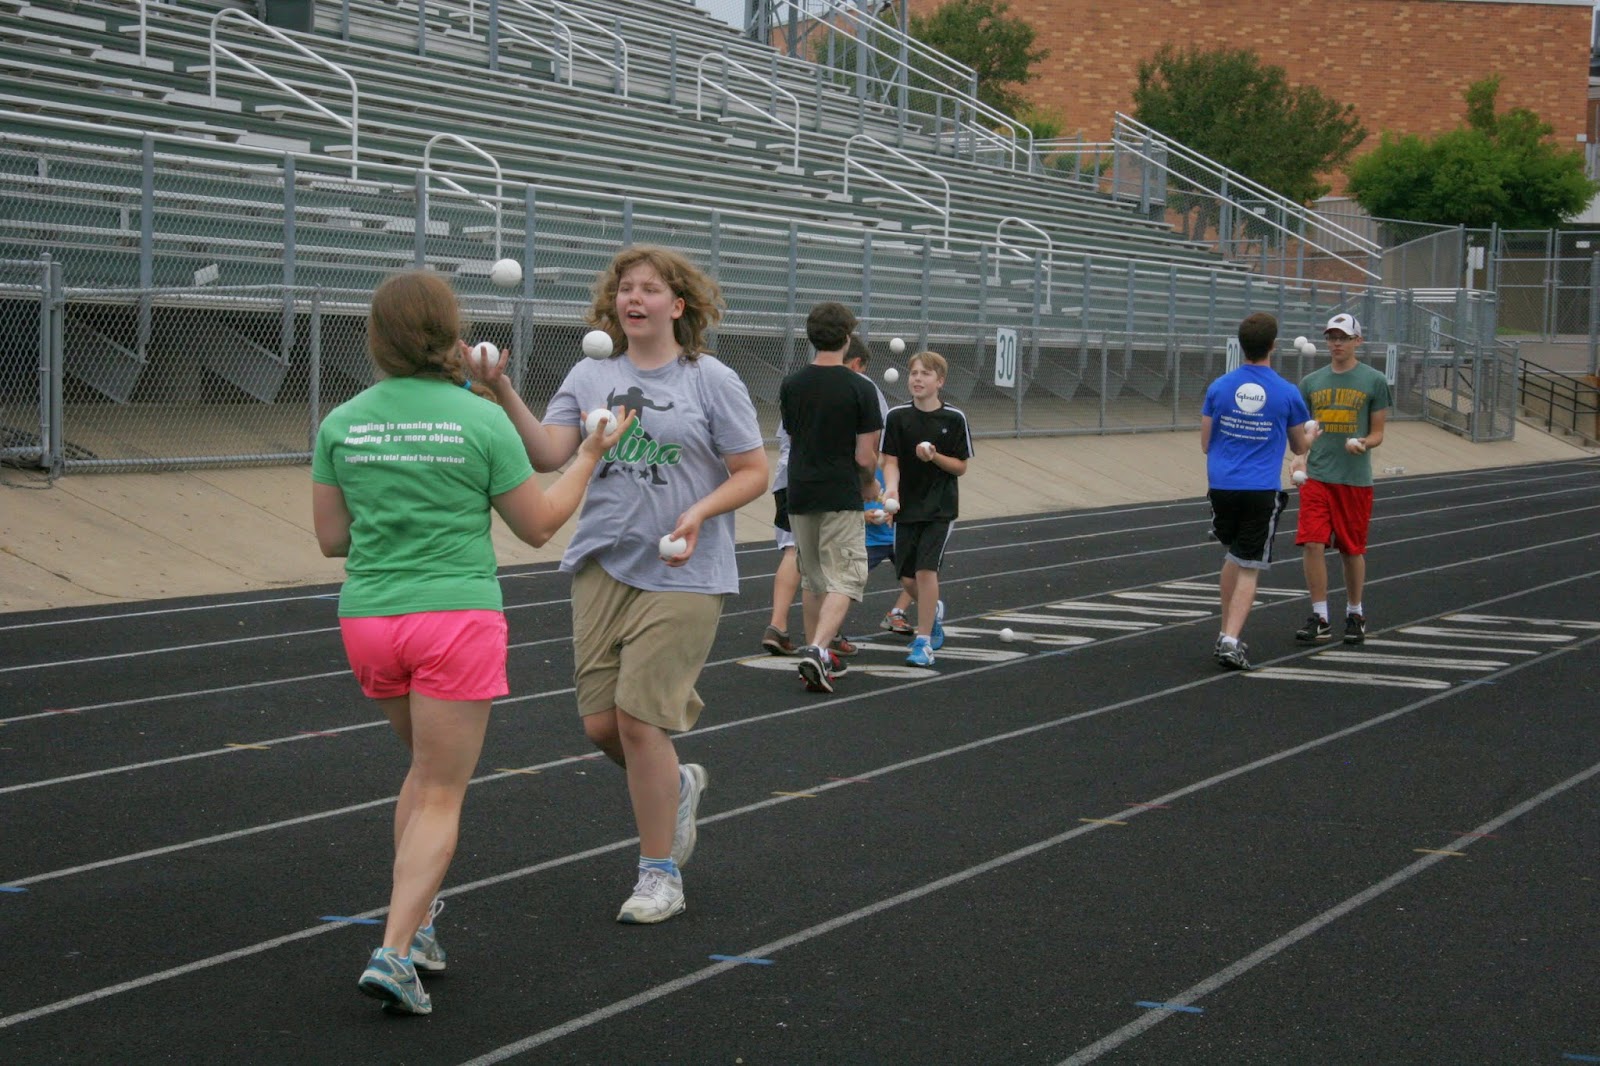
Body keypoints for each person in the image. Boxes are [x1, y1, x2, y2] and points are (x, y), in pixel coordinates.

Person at [312, 271, 630, 1015]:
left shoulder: (341, 422)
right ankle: (393, 951)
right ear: (449, 332)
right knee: (442, 791)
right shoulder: (478, 419)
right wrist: (589, 454)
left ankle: (416, 929)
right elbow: (539, 523)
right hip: (454, 615)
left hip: (369, 617)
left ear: (377, 337)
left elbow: (332, 539)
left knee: (422, 779)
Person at [502, 245, 768, 924]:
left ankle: (659, 874)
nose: (634, 298)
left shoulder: (710, 379)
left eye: (649, 289)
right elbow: (547, 454)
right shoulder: (592, 373)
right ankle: (675, 786)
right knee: (600, 725)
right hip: (601, 562)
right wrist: (500, 389)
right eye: (625, 289)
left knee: (639, 721)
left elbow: (751, 471)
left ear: (678, 305)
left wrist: (701, 511)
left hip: (685, 569)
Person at [778, 304, 884, 693]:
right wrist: (870, 486)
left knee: (814, 575)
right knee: (848, 575)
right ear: (846, 339)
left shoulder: (791, 384)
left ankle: (815, 651)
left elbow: (793, 435)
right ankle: (820, 649)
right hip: (840, 491)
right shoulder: (861, 388)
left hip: (801, 489)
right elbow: (864, 456)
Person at [1200, 312, 1314, 671]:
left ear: (1241, 344)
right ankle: (1231, 641)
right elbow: (1298, 445)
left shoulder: (1219, 387)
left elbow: (1205, 442)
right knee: (1249, 565)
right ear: (1273, 346)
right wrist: (1313, 435)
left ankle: (1225, 630)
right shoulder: (1287, 391)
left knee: (1234, 555)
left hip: (1221, 486)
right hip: (1260, 488)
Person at [1290, 312, 1391, 645]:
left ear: (1357, 341)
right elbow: (1303, 435)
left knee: (1351, 549)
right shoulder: (1311, 383)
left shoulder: (1373, 381)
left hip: (1354, 479)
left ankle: (1355, 612)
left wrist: (1363, 442)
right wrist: (1298, 459)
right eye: (1331, 337)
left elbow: (1378, 433)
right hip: (1318, 476)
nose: (1336, 343)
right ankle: (1320, 616)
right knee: (1312, 542)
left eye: (1343, 337)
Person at [880, 350, 972, 667]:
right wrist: (891, 487)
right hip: (906, 506)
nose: (917, 379)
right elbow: (889, 461)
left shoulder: (954, 419)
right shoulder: (896, 417)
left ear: (940, 381)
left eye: (925, 374)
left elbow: (960, 467)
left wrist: (934, 457)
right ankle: (931, 611)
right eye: (914, 373)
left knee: (925, 570)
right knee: (907, 579)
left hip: (939, 508)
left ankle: (922, 644)